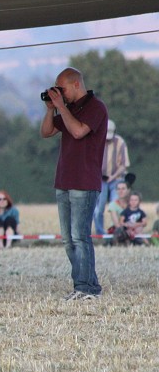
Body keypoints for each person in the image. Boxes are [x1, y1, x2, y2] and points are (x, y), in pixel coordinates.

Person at [40, 67, 108, 300]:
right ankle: (83, 284)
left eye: (62, 89)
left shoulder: (96, 107)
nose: (60, 93)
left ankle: (87, 288)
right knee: (69, 239)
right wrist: (51, 109)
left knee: (80, 237)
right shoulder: (69, 109)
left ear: (76, 84)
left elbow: (79, 131)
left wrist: (61, 107)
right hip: (64, 180)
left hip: (84, 181)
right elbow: (46, 132)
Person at [94, 120, 130, 234]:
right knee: (99, 208)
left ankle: (119, 231)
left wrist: (113, 176)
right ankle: (101, 233)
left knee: (116, 206)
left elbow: (124, 165)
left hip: (117, 179)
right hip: (100, 179)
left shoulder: (120, 142)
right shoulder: (95, 141)